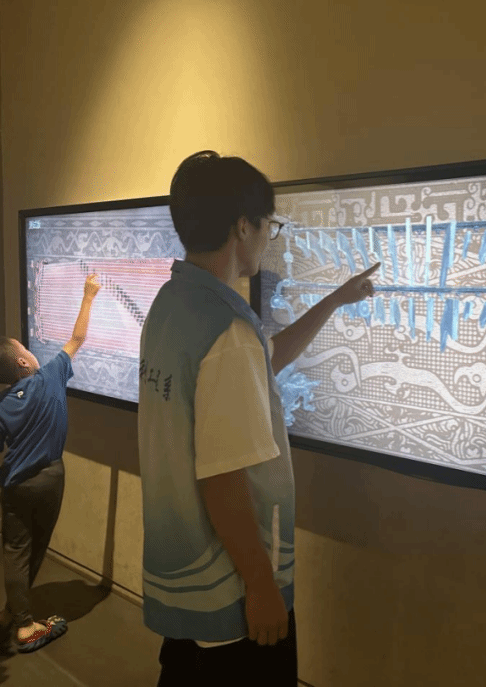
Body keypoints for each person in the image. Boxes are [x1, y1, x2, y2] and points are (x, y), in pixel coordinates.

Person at [140, 150, 378, 686]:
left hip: (187, 588)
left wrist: (335, 300)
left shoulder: (173, 305)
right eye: (270, 224)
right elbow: (223, 478)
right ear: (242, 226)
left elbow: (264, 357)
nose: (270, 236)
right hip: (229, 600)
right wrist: (262, 587)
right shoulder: (228, 333)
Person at [0, 273, 101, 652]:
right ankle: (24, 625)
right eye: (25, 349)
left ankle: (16, 615)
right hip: (50, 479)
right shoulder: (49, 377)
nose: (31, 351)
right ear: (22, 363)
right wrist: (88, 295)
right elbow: (78, 337)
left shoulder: (4, 404)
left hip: (15, 484)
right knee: (36, 547)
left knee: (15, 549)